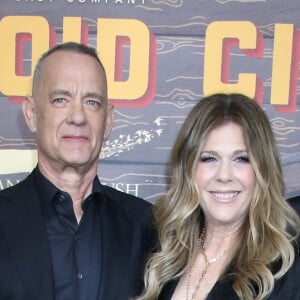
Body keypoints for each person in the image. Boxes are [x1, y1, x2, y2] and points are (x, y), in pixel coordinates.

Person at [0, 42, 154, 300]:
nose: (78, 117)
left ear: (108, 121)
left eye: (92, 102)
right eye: (61, 100)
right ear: (32, 113)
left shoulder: (148, 227)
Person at [135, 93, 300, 300]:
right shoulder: (164, 253)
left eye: (241, 159)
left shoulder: (284, 267)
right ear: (189, 169)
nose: (224, 175)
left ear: (262, 169)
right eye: (209, 158)